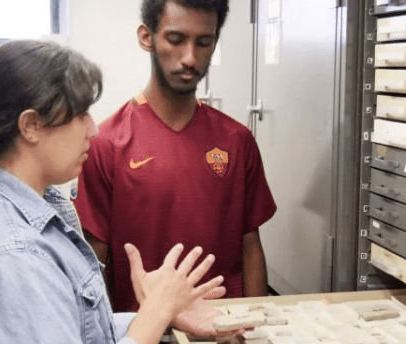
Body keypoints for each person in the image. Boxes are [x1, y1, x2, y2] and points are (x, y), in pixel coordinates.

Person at [0, 40, 231, 344]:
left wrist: (160, 313)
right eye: (80, 114)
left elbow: (72, 327)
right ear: (31, 125)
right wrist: (156, 312)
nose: (93, 130)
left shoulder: (31, 211)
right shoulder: (12, 258)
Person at [74, 0, 277, 313]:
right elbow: (96, 262)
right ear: (147, 37)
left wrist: (255, 328)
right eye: (176, 39)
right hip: (144, 336)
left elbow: (251, 247)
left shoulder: (237, 141)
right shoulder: (107, 145)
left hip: (223, 332)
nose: (190, 58)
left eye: (204, 42)